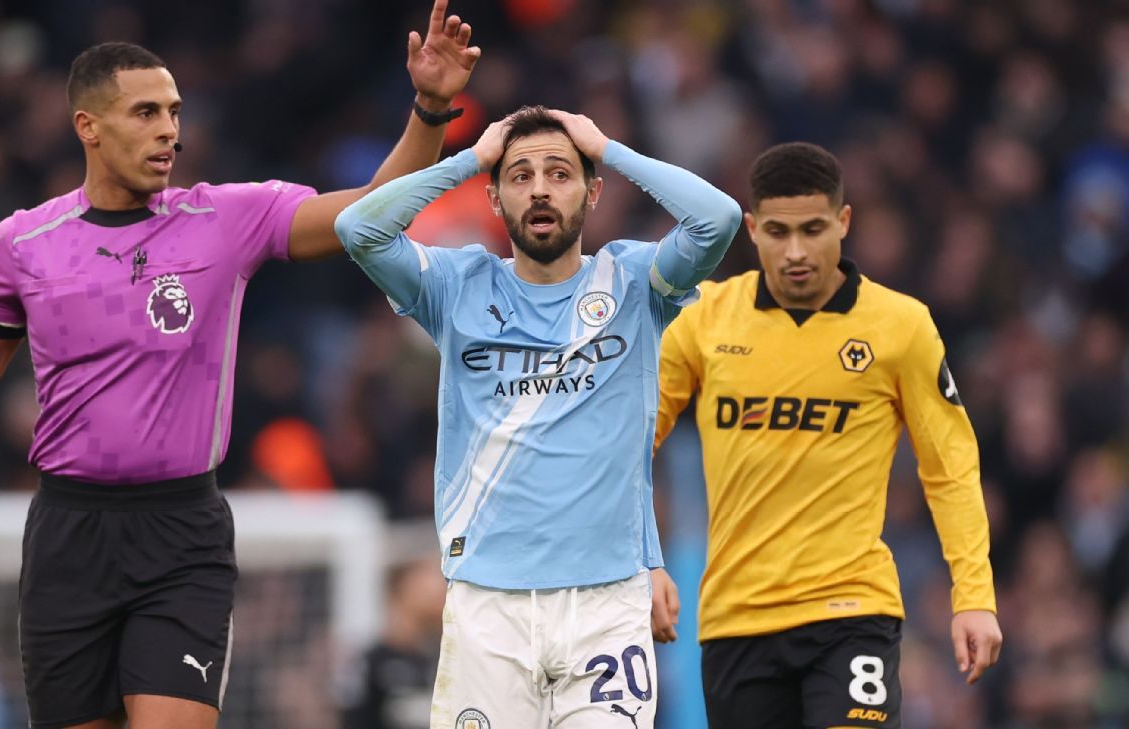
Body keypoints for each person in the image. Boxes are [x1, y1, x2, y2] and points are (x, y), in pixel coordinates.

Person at [0, 2, 480, 727]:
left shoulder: (227, 219)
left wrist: (428, 108)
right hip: (68, 535)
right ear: (89, 127)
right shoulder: (21, 244)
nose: (169, 129)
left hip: (182, 533)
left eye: (173, 111)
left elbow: (370, 214)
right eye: (144, 112)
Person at [335, 105, 742, 728]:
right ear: (495, 199)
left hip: (607, 606)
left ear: (591, 191)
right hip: (487, 605)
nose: (541, 189)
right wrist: (471, 159)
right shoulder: (457, 285)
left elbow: (719, 220)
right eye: (520, 177)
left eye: (560, 173)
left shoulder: (634, 283)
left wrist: (609, 147)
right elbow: (357, 228)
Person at [651, 141, 1003, 729]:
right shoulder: (704, 319)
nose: (796, 252)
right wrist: (643, 561)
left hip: (852, 609)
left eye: (813, 229)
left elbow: (951, 466)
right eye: (779, 232)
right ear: (752, 228)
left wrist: (974, 597)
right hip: (737, 618)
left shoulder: (901, 327)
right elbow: (628, 445)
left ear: (844, 222)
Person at [340, 555, 446, 729]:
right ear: (400, 589)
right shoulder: (368, 663)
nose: (438, 590)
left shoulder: (440, 660)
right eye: (425, 577)